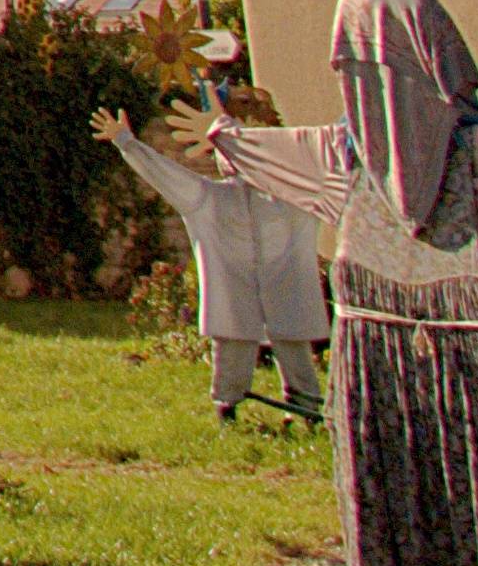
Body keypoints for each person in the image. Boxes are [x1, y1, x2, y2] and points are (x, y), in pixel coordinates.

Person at [170, 0, 478, 566]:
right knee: (421, 523)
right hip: (410, 389)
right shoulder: (349, 155)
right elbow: (268, 153)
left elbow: (269, 152)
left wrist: (227, 135)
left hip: (437, 386)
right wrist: (224, 134)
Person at [95, 93, 324, 423]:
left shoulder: (294, 196)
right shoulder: (212, 199)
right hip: (235, 298)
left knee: (293, 347)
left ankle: (307, 409)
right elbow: (166, 175)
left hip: (286, 295)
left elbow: (331, 173)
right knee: (233, 349)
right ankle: (228, 409)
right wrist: (127, 142)